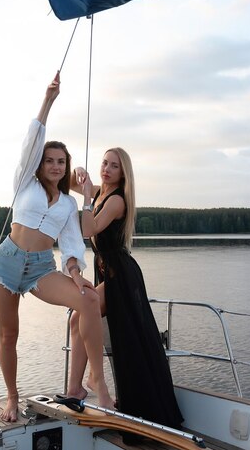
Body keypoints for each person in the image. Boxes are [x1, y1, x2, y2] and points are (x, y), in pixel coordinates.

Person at [0, 72, 114, 422]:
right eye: (50, 160)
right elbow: (33, 139)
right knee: (8, 334)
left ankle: (95, 383)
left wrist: (76, 276)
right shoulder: (24, 183)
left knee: (88, 299)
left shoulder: (66, 206)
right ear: (40, 164)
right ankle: (12, 397)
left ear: (66, 167)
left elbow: (72, 247)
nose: (56, 166)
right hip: (7, 262)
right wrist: (48, 99)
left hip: (42, 267)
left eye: (61, 162)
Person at [68, 147, 183, 431]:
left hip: (121, 275)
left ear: (122, 173)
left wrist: (84, 197)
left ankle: (91, 381)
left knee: (95, 322)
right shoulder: (100, 192)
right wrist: (77, 174)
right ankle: (76, 389)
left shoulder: (117, 200)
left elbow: (89, 229)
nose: (106, 169)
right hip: (108, 271)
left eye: (114, 166)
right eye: (104, 163)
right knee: (76, 319)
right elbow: (68, 183)